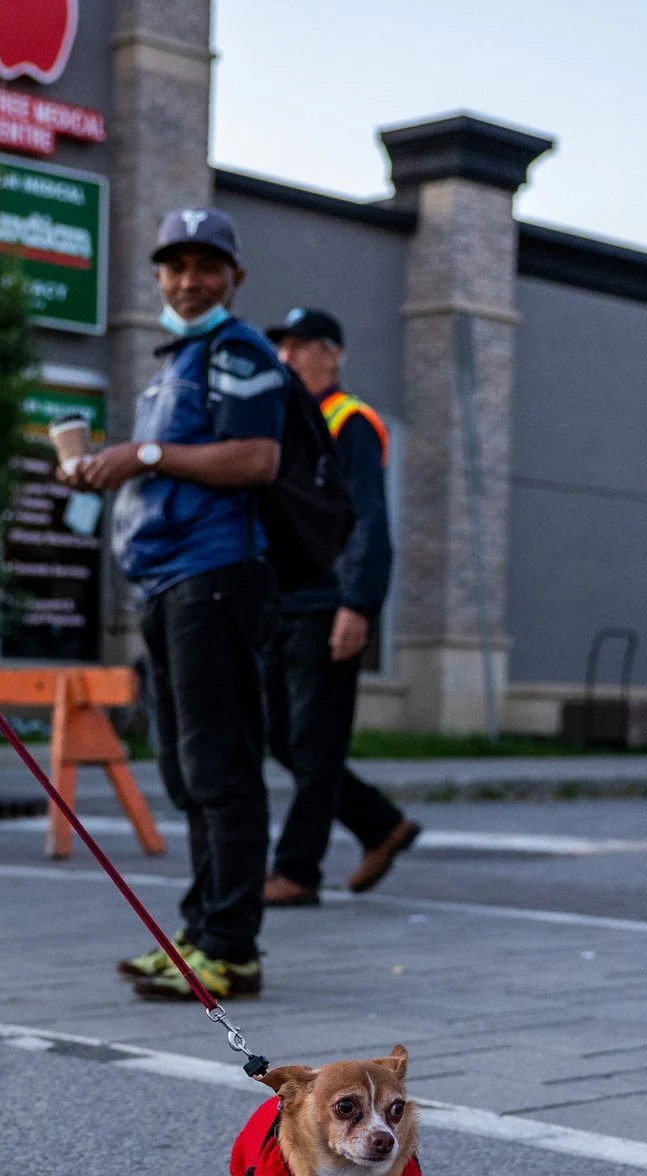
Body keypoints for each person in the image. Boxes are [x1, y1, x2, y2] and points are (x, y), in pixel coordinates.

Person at [74, 207, 287, 1003]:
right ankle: (200, 934)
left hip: (217, 578)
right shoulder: (178, 360)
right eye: (176, 266)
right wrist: (107, 468)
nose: (190, 281)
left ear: (234, 277)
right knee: (186, 768)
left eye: (207, 266)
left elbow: (258, 456)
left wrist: (146, 453)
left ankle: (231, 947)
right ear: (159, 275)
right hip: (169, 585)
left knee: (221, 767)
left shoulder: (239, 350)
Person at [259, 306, 419, 905]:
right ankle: (380, 824)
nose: (288, 357)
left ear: (334, 354)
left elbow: (370, 519)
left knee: (314, 740)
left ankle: (297, 870)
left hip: (328, 604)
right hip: (285, 601)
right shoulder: (289, 422)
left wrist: (358, 603)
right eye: (283, 347)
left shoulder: (350, 422)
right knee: (281, 736)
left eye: (301, 347)